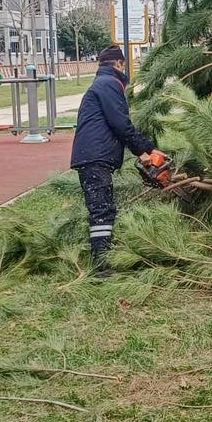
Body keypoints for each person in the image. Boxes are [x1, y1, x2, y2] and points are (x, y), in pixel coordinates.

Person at [69, 45, 156, 265]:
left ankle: (104, 256)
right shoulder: (109, 84)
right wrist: (145, 150)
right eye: (123, 64)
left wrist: (147, 148)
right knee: (101, 210)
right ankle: (102, 264)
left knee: (103, 208)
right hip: (95, 157)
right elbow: (122, 125)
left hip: (93, 155)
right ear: (119, 64)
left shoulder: (102, 83)